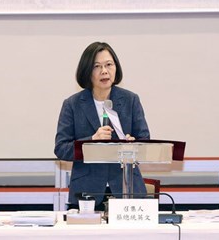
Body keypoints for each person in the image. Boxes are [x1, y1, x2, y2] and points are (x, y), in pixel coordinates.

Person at [54, 41, 150, 207]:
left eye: (109, 65)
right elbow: (61, 149)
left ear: (116, 68)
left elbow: (145, 141)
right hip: (86, 192)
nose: (104, 71)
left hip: (127, 189)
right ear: (87, 71)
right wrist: (91, 140)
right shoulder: (73, 104)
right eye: (97, 66)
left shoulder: (130, 100)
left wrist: (133, 144)